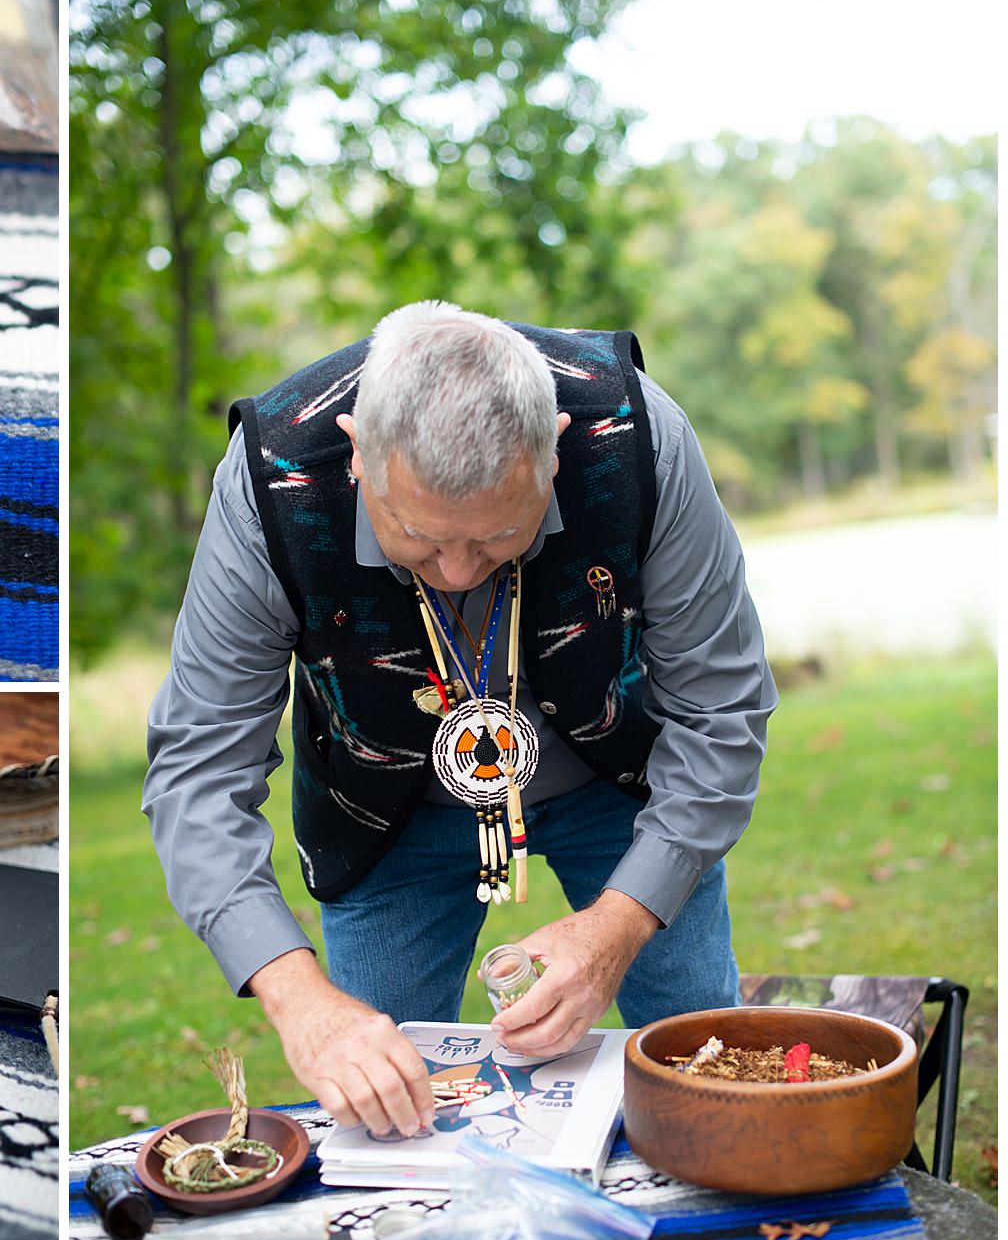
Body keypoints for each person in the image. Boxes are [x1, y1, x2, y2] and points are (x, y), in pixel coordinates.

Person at [143, 302, 776, 1140]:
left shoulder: (638, 435)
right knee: (384, 1106)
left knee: (706, 1070)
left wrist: (622, 921)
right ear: (357, 452)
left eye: (495, 537)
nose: (454, 570)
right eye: (417, 535)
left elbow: (722, 710)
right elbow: (197, 770)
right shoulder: (268, 482)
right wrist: (302, 1004)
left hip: (622, 783)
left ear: (553, 450)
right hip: (383, 811)